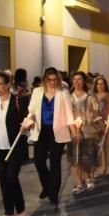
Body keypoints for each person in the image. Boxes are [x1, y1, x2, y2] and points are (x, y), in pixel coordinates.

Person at [27, 67, 75, 205]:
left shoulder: (63, 93)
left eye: (55, 80)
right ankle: (47, 186)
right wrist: (28, 121)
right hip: (41, 131)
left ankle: (53, 193)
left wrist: (75, 133)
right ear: (45, 80)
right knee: (38, 161)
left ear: (58, 80)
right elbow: (31, 110)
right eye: (50, 80)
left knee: (55, 163)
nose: (52, 83)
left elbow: (69, 115)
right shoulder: (37, 92)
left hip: (57, 132)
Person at [0, 71, 29, 216]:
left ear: (8, 84)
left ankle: (20, 208)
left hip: (15, 147)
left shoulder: (19, 101)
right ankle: (8, 210)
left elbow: (29, 120)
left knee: (11, 178)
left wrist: (26, 126)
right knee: (3, 180)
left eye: (0, 84)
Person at [69, 72, 102, 192]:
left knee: (87, 157)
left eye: (79, 79)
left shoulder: (90, 97)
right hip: (74, 131)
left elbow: (96, 113)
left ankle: (89, 178)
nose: (77, 82)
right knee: (75, 158)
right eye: (74, 79)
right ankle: (78, 182)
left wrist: (100, 125)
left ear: (83, 81)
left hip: (88, 131)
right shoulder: (69, 97)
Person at [94, 76, 109, 174]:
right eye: (98, 84)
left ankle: (105, 167)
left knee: (107, 146)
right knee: (97, 146)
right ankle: (99, 165)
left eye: (102, 84)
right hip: (95, 125)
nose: (100, 86)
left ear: (105, 85)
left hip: (107, 124)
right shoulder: (92, 96)